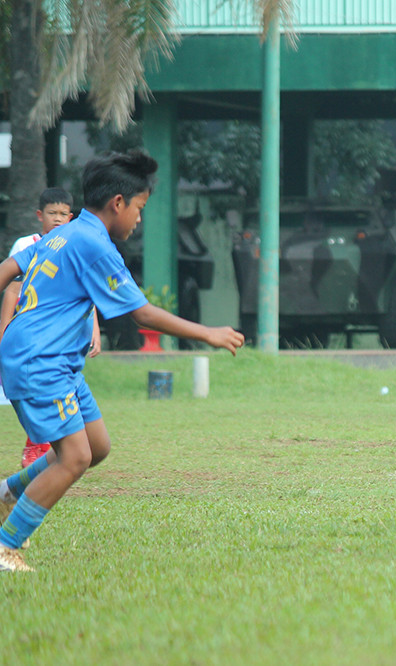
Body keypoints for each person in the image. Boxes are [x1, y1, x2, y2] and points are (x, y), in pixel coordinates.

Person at [0, 150, 244, 572]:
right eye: (140, 208)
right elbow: (141, 313)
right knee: (73, 457)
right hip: (42, 361)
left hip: (53, 360)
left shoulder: (62, 233)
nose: (139, 219)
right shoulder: (95, 245)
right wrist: (208, 333)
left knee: (96, 447)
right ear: (118, 202)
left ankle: (8, 493)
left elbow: (8, 269)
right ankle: (6, 546)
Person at [0, 188, 103, 468]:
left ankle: (44, 455)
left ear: (71, 217)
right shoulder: (29, 245)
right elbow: (12, 290)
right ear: (39, 215)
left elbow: (85, 295)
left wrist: (94, 328)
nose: (57, 219)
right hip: (31, 340)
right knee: (43, 396)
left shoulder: (76, 245)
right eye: (51, 213)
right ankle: (37, 448)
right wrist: (3, 332)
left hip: (62, 342)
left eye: (62, 214)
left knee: (93, 445)